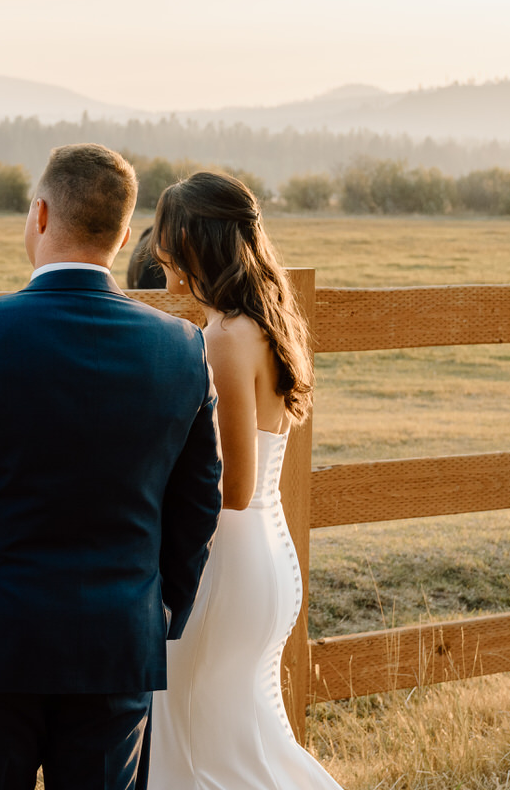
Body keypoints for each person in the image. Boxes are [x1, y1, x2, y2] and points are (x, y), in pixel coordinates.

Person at [0, 143, 223, 790]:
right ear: (125, 234)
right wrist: (155, 617)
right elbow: (198, 504)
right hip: (117, 643)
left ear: (39, 216)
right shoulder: (181, 347)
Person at [144, 171, 339, 789]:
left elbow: (232, 485)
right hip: (267, 555)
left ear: (203, 246)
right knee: (249, 744)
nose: (169, 277)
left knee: (201, 752)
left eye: (173, 258)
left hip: (223, 562)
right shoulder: (270, 322)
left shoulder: (225, 337)